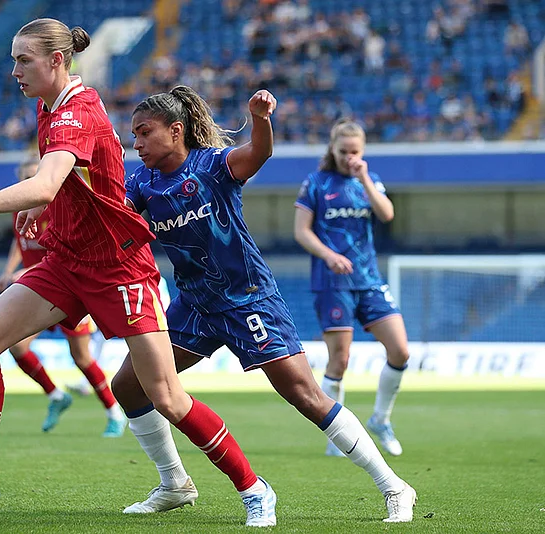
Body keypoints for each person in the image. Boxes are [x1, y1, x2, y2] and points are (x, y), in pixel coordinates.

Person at [0, 19, 276, 527]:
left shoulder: (74, 113)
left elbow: (44, 183)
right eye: (13, 59)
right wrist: (53, 208)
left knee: (166, 397)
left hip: (120, 269)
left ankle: (253, 488)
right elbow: (73, 182)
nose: (13, 70)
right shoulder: (51, 106)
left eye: (23, 60)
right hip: (67, 260)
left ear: (56, 61)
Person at [112, 86, 416, 523]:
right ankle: (173, 483)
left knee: (304, 394)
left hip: (248, 299)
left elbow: (259, 152)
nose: (136, 143)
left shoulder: (213, 166)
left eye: (144, 133)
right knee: (128, 384)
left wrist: (260, 117)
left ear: (175, 131)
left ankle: (395, 486)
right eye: (133, 135)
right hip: (195, 304)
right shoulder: (140, 183)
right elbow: (115, 219)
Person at [293, 119, 410, 459]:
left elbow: (387, 214)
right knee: (339, 360)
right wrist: (329, 256)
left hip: (369, 278)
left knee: (400, 351)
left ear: (363, 152)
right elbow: (302, 231)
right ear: (332, 149)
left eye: (355, 152)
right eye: (343, 151)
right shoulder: (316, 183)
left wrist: (364, 178)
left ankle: (380, 419)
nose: (349, 157)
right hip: (332, 282)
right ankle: (337, 434)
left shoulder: (369, 181)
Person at [0, 155, 126, 437]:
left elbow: (62, 252)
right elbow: (21, 241)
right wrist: (9, 270)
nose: (30, 182)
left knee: (81, 358)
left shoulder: (56, 208)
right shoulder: (18, 208)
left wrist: (26, 273)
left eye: (34, 176)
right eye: (25, 178)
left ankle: (114, 411)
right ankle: (56, 396)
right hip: (37, 289)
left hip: (67, 286)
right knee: (16, 346)